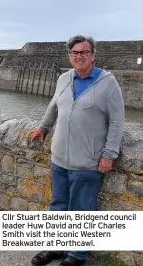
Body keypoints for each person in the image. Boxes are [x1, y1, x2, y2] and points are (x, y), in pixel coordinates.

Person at [29, 35, 125, 266]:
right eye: (74, 52)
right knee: (58, 205)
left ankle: (76, 255)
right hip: (59, 157)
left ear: (92, 55)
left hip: (88, 160)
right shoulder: (64, 78)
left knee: (82, 209)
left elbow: (117, 121)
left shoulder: (107, 83)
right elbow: (54, 105)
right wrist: (43, 127)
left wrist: (109, 154)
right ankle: (54, 248)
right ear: (69, 55)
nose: (79, 56)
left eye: (83, 52)